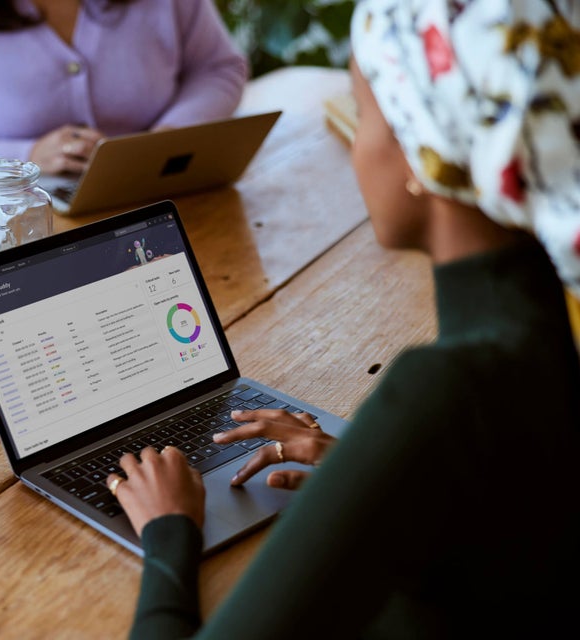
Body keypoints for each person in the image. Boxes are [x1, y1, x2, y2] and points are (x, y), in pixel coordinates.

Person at [106, 1, 580, 637]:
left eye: (363, 115)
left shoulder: (444, 391)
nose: (358, 145)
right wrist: (373, 468)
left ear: (422, 151)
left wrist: (168, 533)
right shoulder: (550, 324)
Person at [0, 0, 247, 176]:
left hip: (165, 196)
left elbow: (218, 68)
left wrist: (171, 134)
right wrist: (24, 157)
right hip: (19, 227)